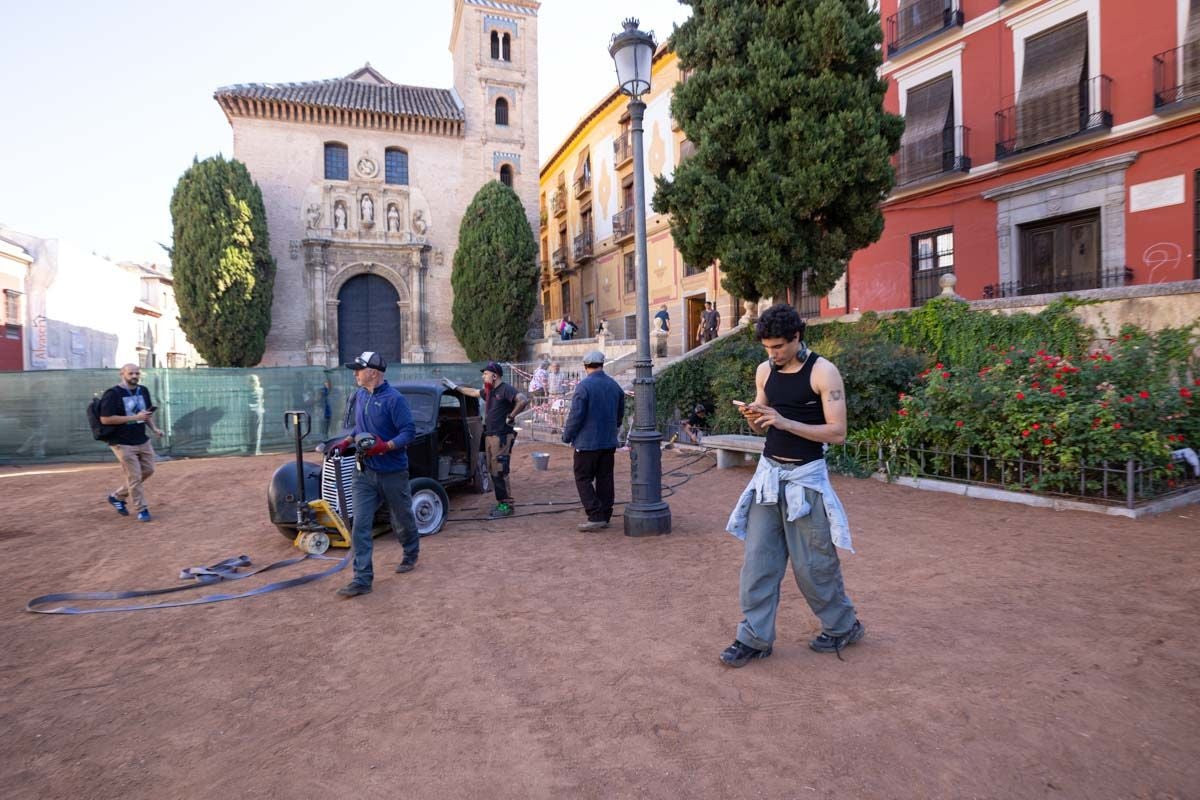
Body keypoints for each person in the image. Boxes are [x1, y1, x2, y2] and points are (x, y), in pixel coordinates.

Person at [720, 303, 864, 668]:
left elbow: (838, 433)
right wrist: (756, 417)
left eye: (779, 347)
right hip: (768, 478)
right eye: (767, 348)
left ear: (797, 337)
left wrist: (783, 422)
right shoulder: (764, 371)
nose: (773, 355)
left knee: (813, 566)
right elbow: (764, 423)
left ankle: (843, 625)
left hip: (806, 480)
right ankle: (754, 637)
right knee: (757, 563)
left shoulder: (824, 372)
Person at [332, 351, 421, 598]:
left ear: (373, 372)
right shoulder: (360, 395)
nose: (355, 373)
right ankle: (362, 579)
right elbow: (362, 428)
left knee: (401, 516)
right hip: (365, 473)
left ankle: (411, 552)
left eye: (359, 369)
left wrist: (386, 446)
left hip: (393, 471)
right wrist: (347, 440)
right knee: (360, 523)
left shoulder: (395, 400)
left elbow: (409, 432)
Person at [443, 361, 528, 518]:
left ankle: (506, 505)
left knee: (500, 469)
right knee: (492, 469)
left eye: (486, 374)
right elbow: (475, 392)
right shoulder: (489, 391)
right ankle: (502, 502)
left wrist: (511, 416)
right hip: (490, 435)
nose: (483, 376)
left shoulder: (505, 389)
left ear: (494, 375)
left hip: (501, 436)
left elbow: (523, 400)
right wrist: (456, 388)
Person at [561, 351, 625, 531]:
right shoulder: (614, 385)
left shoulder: (584, 386)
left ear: (585, 366)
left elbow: (576, 416)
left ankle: (595, 514)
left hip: (586, 442)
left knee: (583, 477)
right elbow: (620, 412)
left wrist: (567, 436)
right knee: (605, 478)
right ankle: (605, 514)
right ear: (602, 364)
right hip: (608, 440)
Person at [100, 364, 164, 522]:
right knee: (134, 477)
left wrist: (154, 428)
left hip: (142, 439)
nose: (134, 376)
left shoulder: (143, 390)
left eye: (137, 373)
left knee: (148, 470)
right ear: (122, 374)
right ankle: (142, 509)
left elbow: (146, 414)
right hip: (122, 442)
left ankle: (117, 496)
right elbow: (105, 419)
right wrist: (133, 418)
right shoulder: (113, 393)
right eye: (131, 373)